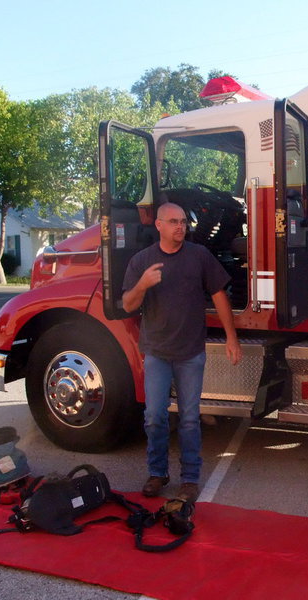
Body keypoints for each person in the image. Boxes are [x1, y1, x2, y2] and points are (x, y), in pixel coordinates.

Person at [122, 202, 241, 503]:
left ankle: (189, 478)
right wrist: (143, 284)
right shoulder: (142, 261)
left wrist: (231, 337)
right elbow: (127, 305)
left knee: (189, 418)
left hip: (190, 352)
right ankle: (157, 473)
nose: (180, 227)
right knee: (154, 417)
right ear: (158, 225)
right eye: (173, 222)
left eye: (183, 222)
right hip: (157, 353)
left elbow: (219, 295)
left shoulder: (199, 256)